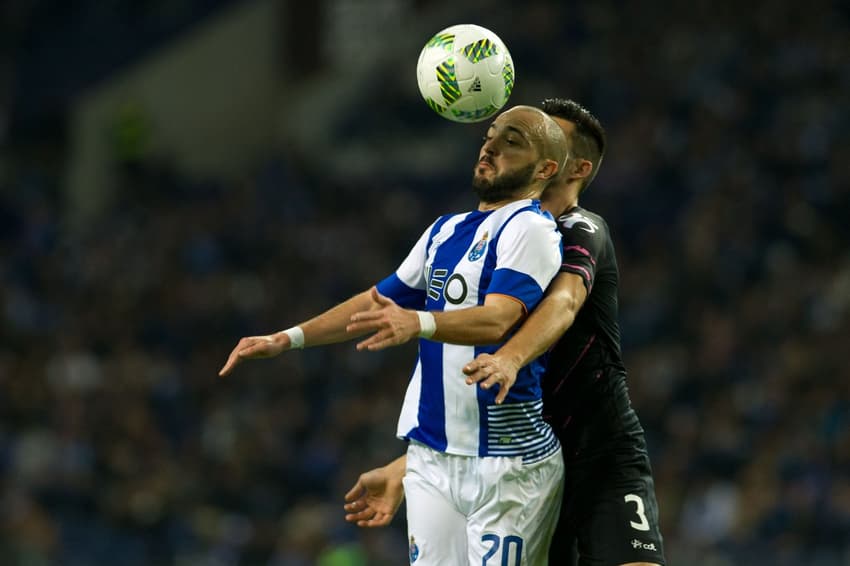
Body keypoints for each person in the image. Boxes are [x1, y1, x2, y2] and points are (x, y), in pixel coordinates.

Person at [220, 105, 570, 565]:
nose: (490, 147)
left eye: (512, 141)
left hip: (508, 463)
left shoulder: (531, 229)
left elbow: (498, 318)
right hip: (430, 456)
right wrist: (288, 338)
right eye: (490, 135)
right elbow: (377, 301)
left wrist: (420, 323)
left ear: (546, 169)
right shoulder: (444, 231)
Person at [342, 98, 667, 566]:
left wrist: (512, 356)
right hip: (524, 460)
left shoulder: (582, 230)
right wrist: (408, 467)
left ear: (571, 166)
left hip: (599, 451)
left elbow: (565, 301)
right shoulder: (492, 238)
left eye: (544, 137)